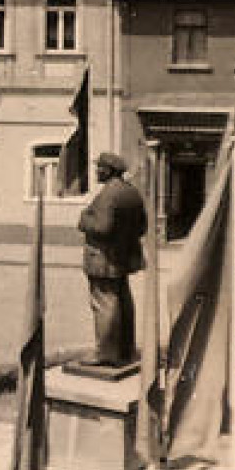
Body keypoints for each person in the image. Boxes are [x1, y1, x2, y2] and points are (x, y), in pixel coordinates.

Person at [77, 151, 148, 366]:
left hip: (104, 258)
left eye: (99, 167)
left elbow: (102, 227)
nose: (96, 171)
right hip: (122, 257)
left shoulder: (109, 194)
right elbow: (142, 226)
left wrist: (83, 219)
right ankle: (125, 350)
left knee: (104, 303)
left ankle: (105, 354)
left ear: (107, 170)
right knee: (123, 301)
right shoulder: (131, 192)